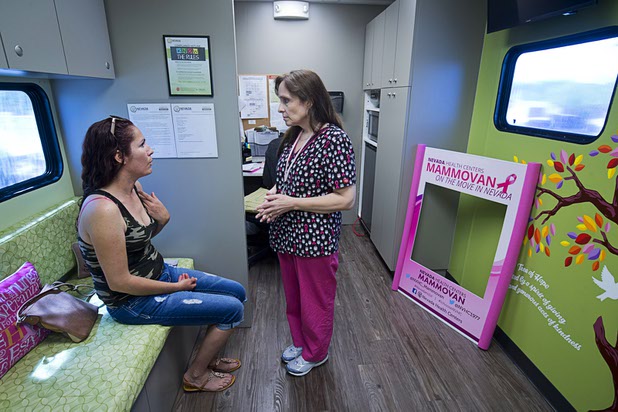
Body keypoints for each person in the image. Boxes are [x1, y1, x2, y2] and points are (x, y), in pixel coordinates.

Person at [77, 116, 246, 392]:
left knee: (237, 291)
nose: (151, 150)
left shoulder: (133, 189)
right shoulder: (102, 209)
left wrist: (162, 221)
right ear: (119, 156)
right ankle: (195, 376)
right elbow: (119, 282)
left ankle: (209, 357)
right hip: (131, 302)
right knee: (233, 310)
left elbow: (133, 243)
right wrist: (174, 288)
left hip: (157, 273)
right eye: (142, 144)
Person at [256, 70, 356, 376]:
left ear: (309, 101)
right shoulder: (294, 136)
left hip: (315, 240)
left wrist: (292, 202)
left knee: (316, 302)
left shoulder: (334, 140)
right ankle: (301, 343)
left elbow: (345, 199)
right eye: (280, 101)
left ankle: (316, 353)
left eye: (286, 101)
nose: (281, 108)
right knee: (295, 298)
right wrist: (275, 196)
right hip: (288, 236)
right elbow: (287, 180)